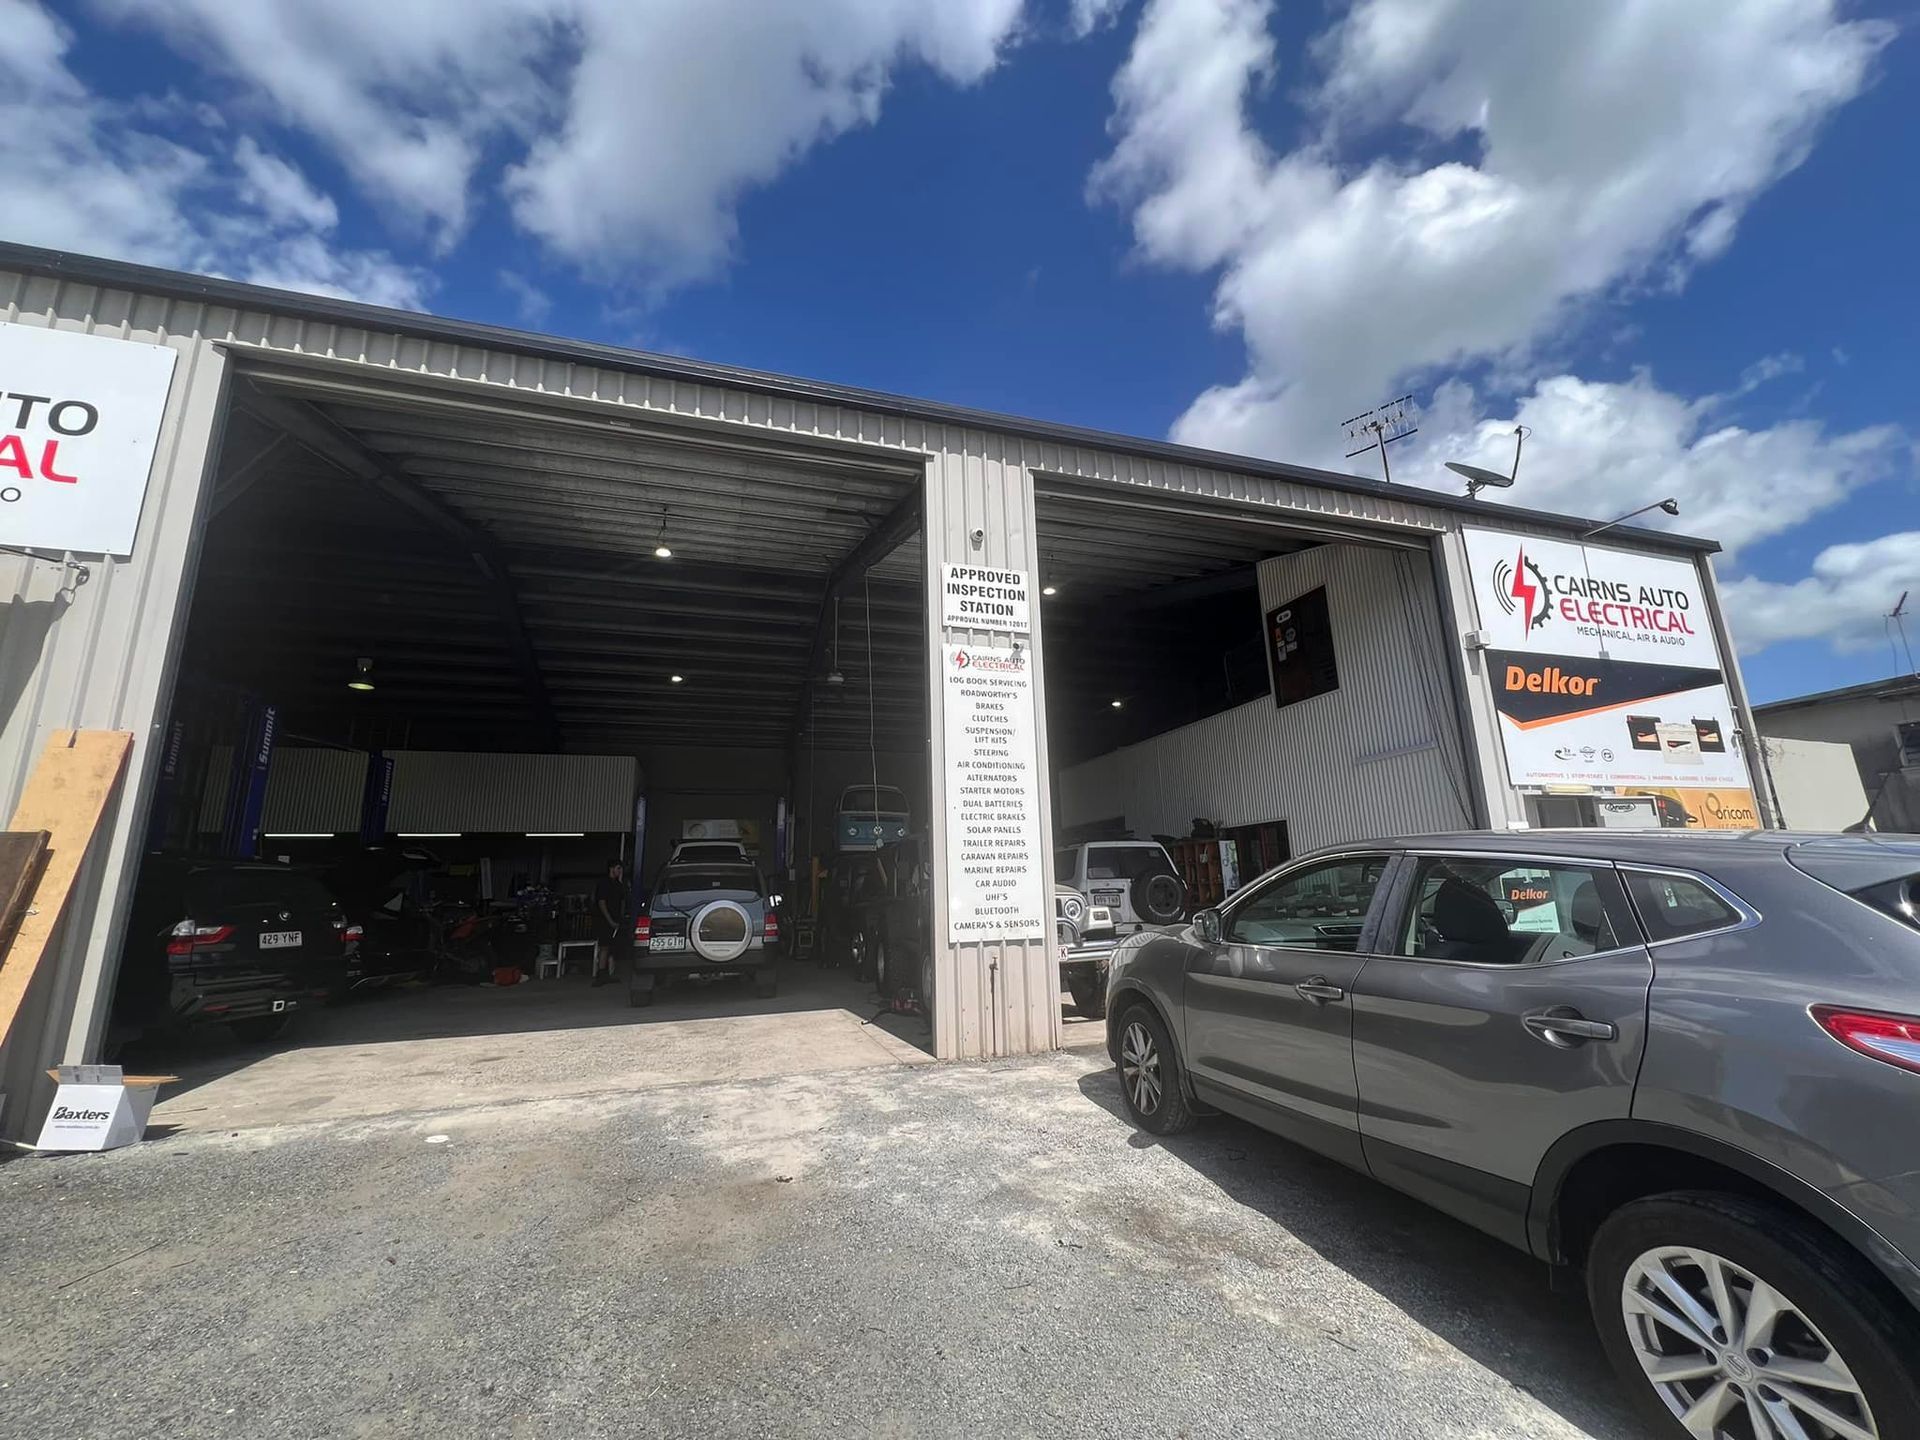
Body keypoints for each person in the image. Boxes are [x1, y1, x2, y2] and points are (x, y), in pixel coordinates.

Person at [591, 858, 630, 987]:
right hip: (604, 920)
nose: (620, 871)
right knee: (604, 947)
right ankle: (601, 973)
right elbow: (601, 903)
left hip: (616, 920)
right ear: (611, 868)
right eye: (618, 868)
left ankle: (607, 973)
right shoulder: (604, 884)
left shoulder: (618, 885)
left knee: (612, 947)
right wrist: (610, 920)